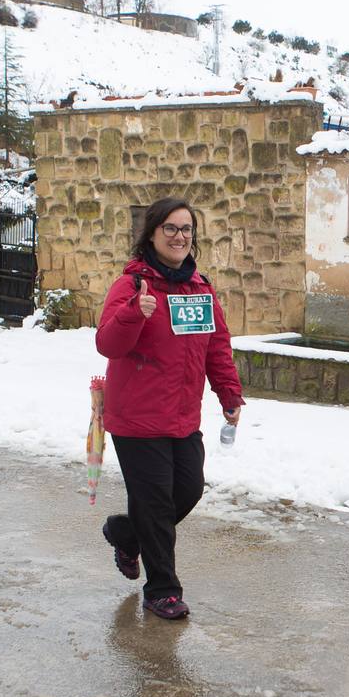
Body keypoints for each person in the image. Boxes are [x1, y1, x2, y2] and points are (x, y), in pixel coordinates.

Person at [94, 198, 243, 621]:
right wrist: (133, 314)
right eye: (171, 229)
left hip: (181, 415)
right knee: (157, 501)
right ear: (153, 233)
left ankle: (128, 533)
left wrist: (229, 394)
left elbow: (217, 346)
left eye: (186, 229)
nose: (180, 237)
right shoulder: (133, 285)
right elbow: (108, 344)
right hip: (137, 417)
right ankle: (162, 589)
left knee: (188, 489)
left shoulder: (199, 286)